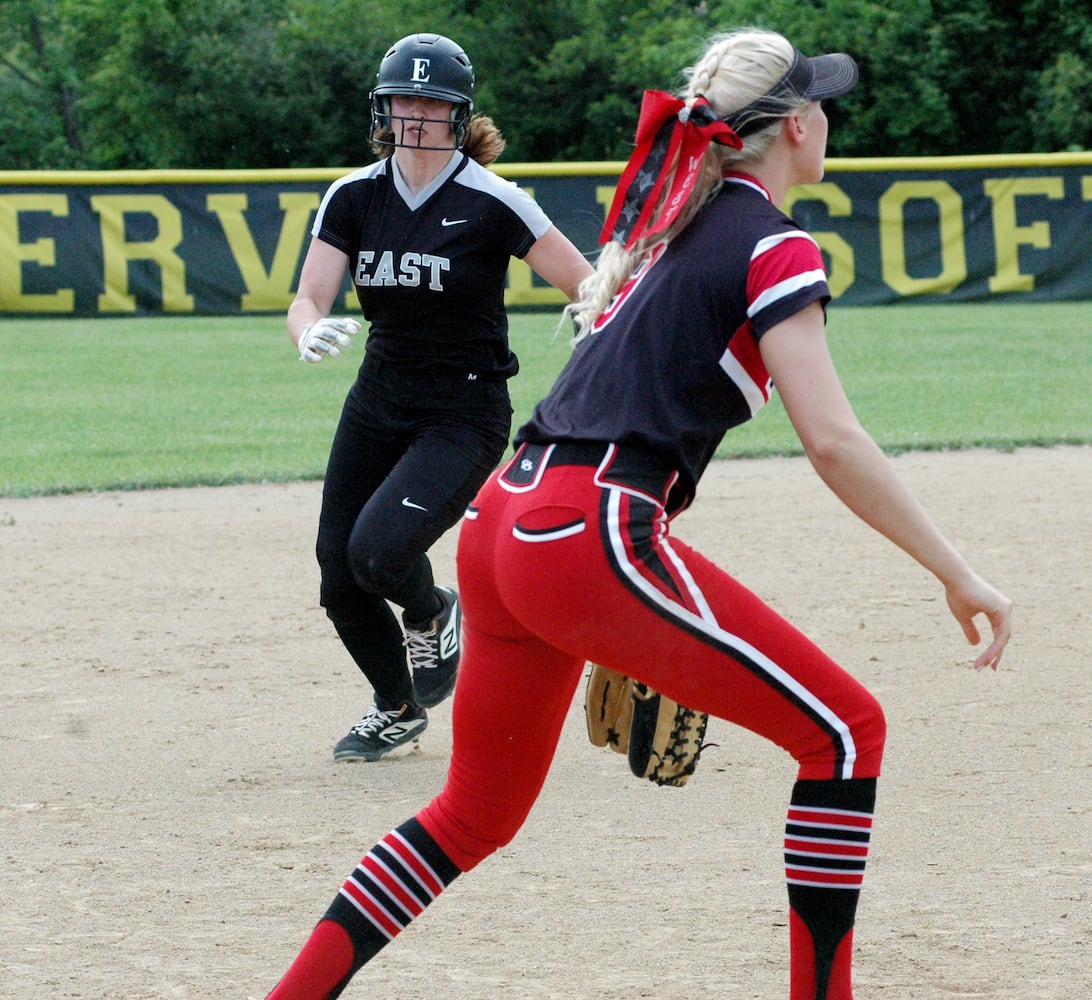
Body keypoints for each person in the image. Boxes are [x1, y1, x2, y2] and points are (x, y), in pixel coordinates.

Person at [263, 28, 1012, 999]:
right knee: (845, 733)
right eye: (818, 102)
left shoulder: (671, 231)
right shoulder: (771, 243)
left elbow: (618, 410)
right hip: (589, 534)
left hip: (507, 523)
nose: (828, 116)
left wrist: (627, 628)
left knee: (471, 814)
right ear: (791, 127)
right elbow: (832, 441)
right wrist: (957, 570)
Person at [287, 32, 593, 762]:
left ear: (459, 114)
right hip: (378, 399)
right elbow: (308, 296)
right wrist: (306, 330)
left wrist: (600, 329)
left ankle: (431, 614)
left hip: (464, 408)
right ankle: (395, 708)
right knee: (339, 574)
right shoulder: (354, 194)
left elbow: (587, 287)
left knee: (380, 553)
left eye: (432, 101)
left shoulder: (493, 201)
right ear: (382, 108)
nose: (415, 113)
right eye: (403, 99)